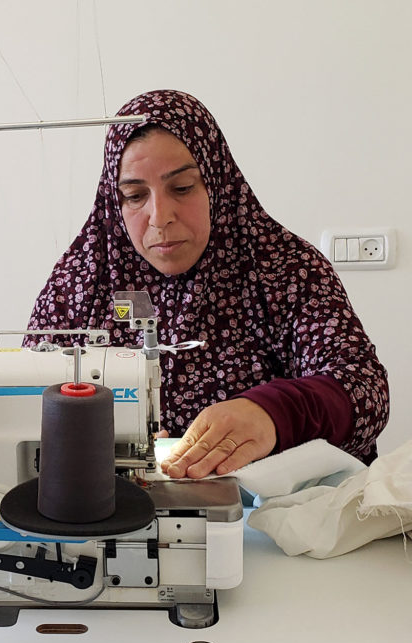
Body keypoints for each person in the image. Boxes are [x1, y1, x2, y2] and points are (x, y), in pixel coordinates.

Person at [24, 90, 388, 480]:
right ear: (114, 202)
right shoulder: (83, 281)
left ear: (217, 182)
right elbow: (25, 401)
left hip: (267, 519)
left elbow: (364, 389)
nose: (160, 217)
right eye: (134, 196)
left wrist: (274, 412)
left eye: (182, 188)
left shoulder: (282, 269)